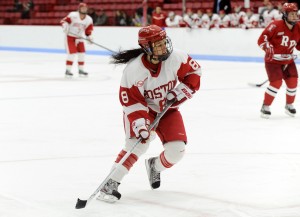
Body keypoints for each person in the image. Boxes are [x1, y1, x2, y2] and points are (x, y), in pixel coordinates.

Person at [97, 25, 201, 202]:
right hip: (143, 110)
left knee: (177, 151)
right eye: (158, 44)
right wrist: (140, 124)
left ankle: (154, 166)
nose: (164, 47)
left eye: (164, 42)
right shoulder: (134, 70)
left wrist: (179, 92)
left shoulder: (177, 57)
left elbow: (194, 73)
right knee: (138, 144)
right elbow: (131, 100)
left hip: (168, 109)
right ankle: (110, 182)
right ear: (146, 48)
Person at [257, 3, 300, 118]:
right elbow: (261, 39)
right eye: (291, 14)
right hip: (273, 60)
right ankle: (265, 106)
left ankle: (289, 104)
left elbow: (299, 45)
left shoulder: (299, 27)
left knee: (293, 82)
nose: (294, 17)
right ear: (285, 15)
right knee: (276, 83)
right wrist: (267, 47)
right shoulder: (275, 25)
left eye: (296, 14)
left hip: (288, 60)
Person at [60, 3, 94, 77]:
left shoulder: (89, 19)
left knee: (82, 54)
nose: (84, 9)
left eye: (85, 8)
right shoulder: (73, 15)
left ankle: (81, 70)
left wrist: (89, 37)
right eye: (82, 8)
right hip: (70, 37)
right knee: (71, 54)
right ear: (79, 9)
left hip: (79, 37)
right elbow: (63, 21)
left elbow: (88, 30)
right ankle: (68, 70)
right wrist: (65, 26)